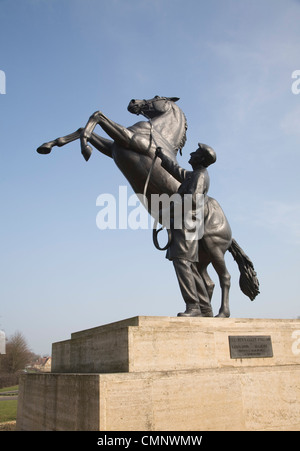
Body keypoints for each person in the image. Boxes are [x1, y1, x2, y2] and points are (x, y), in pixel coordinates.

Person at [155, 143, 216, 317]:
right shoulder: (195, 175)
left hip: (186, 224)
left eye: (196, 152)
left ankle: (194, 307)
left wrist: (167, 212)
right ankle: (205, 308)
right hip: (186, 224)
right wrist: (162, 156)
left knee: (182, 262)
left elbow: (192, 201)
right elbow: (177, 171)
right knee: (191, 266)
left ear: (201, 159)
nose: (191, 153)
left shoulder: (200, 176)